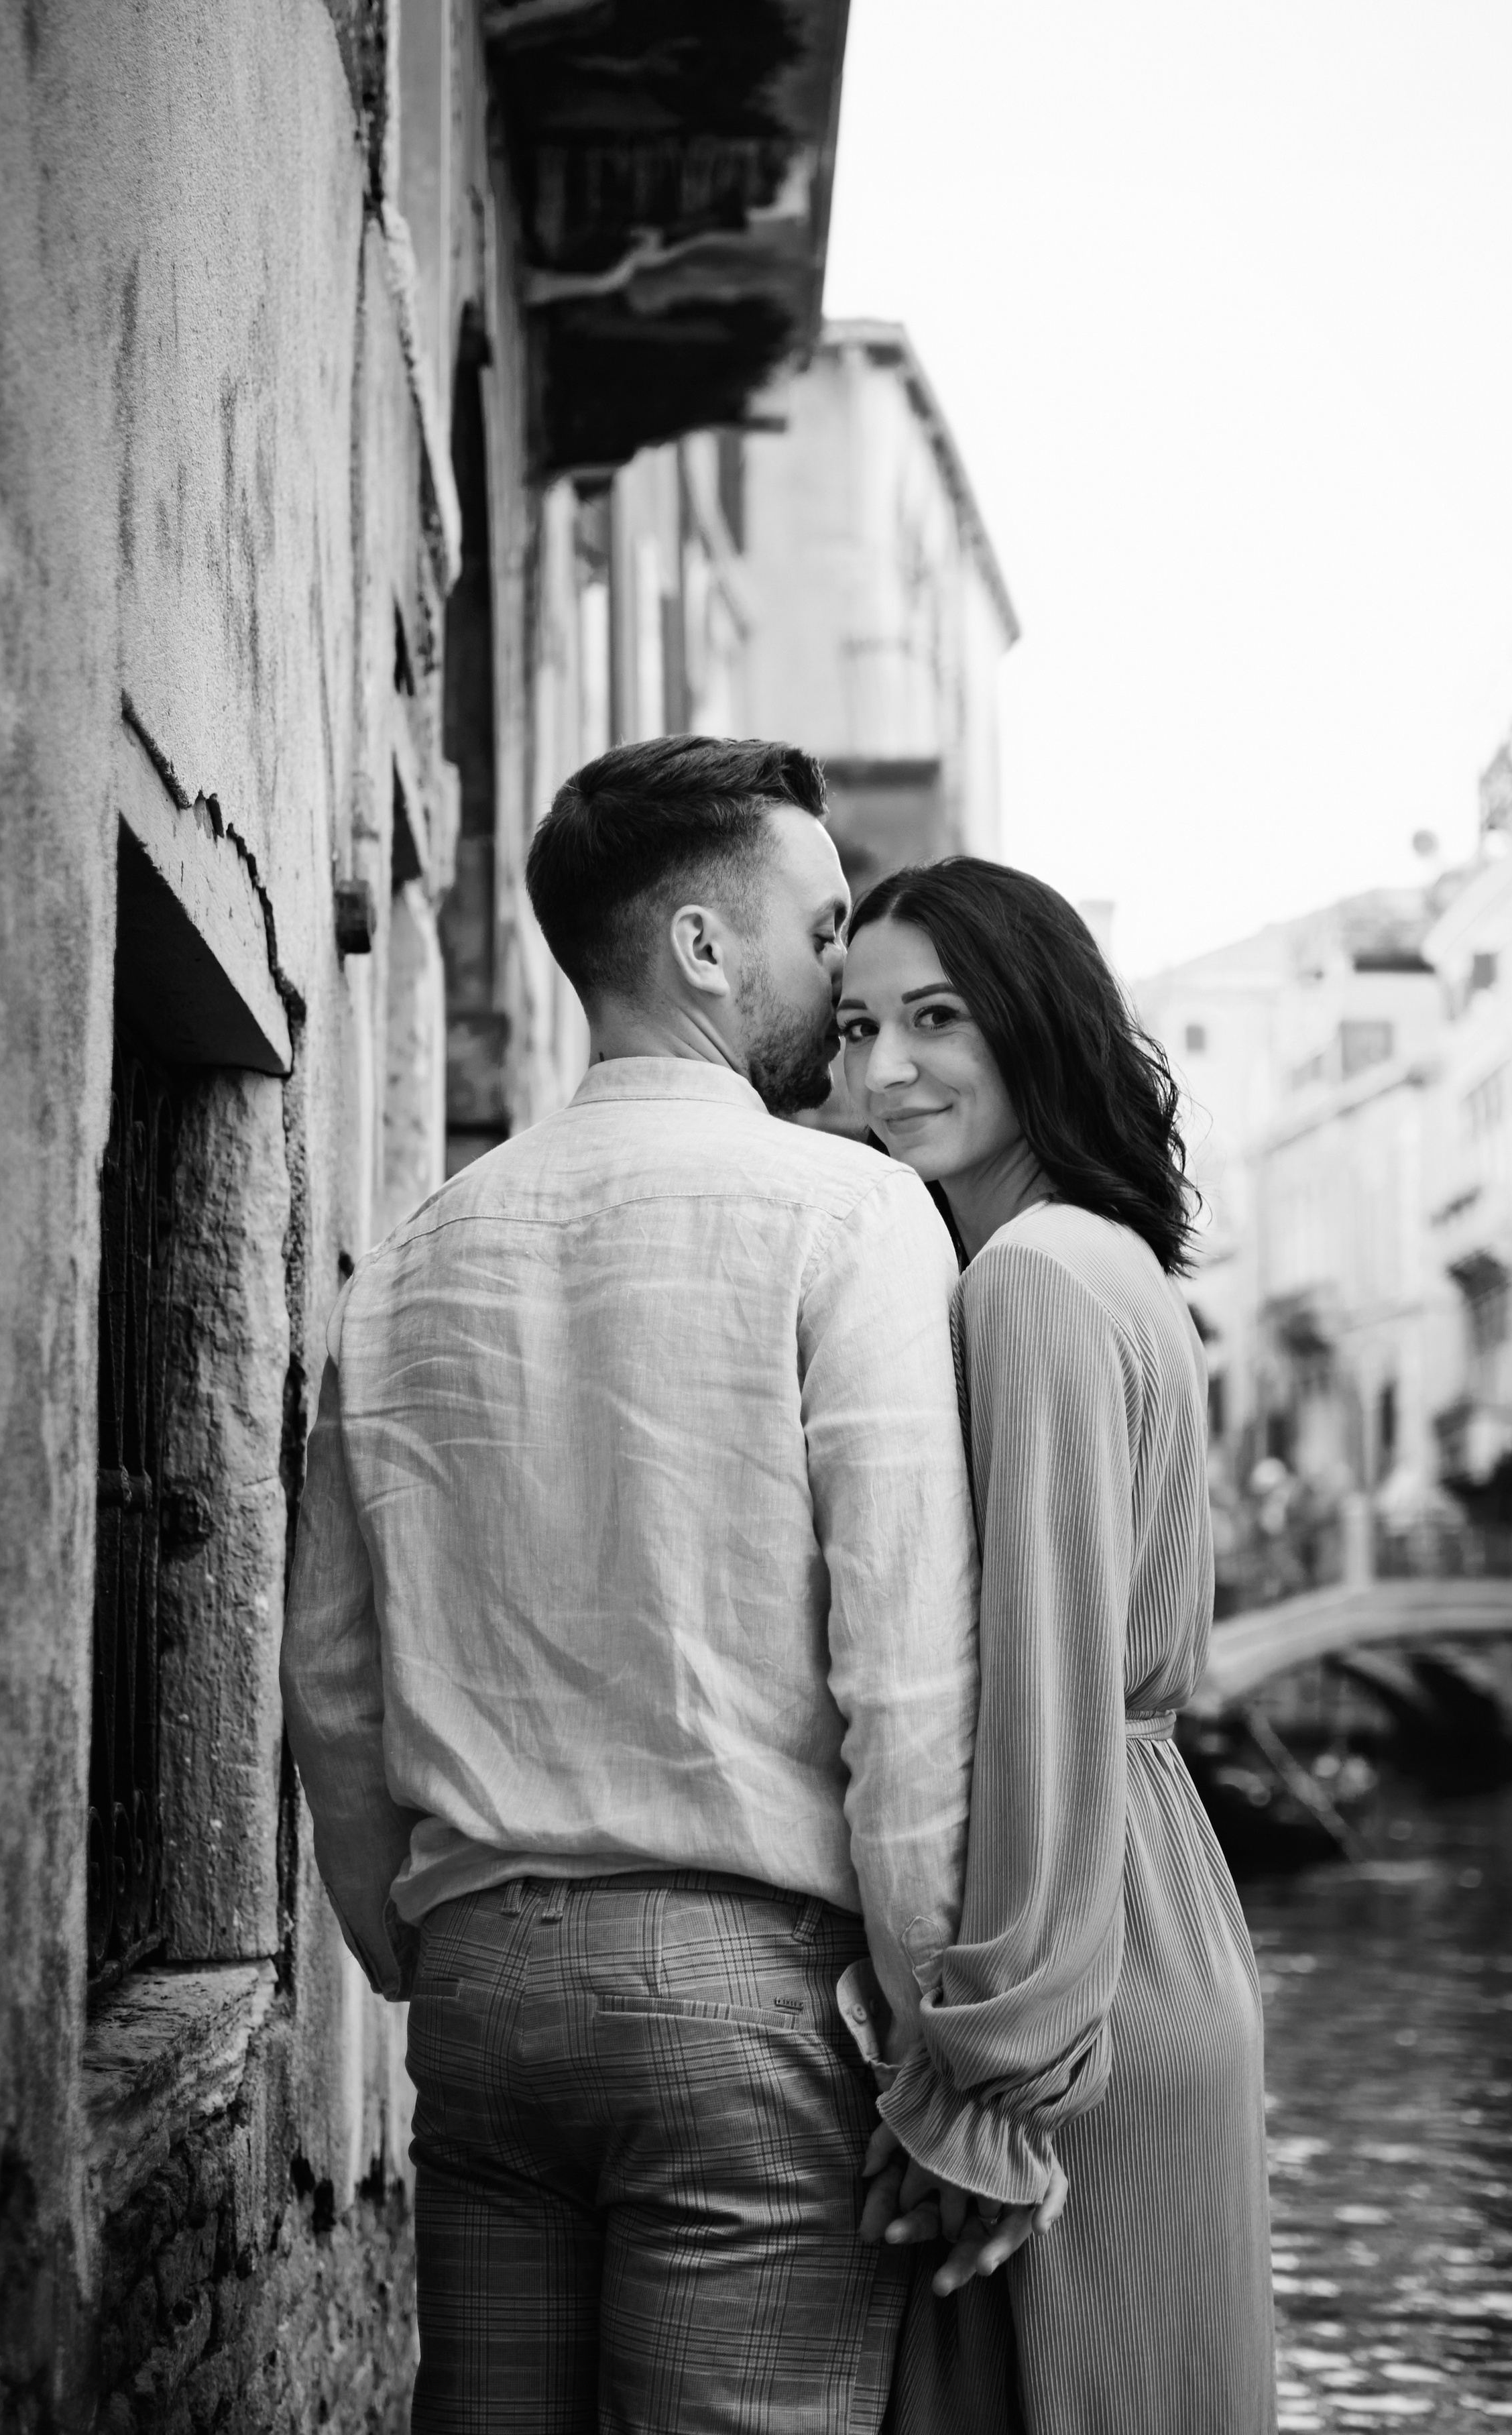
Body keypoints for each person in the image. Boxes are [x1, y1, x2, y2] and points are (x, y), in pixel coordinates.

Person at [280, 738, 1004, 2434]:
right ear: (699, 945)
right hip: (744, 2003)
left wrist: (414, 1943)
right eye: (822, 929)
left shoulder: (412, 1249)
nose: (848, 972)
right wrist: (938, 2040)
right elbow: (905, 1672)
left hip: (478, 1994)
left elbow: (329, 1670)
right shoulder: (853, 1214)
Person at [839, 856, 1277, 2435]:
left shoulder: (1023, 1283)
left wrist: (989, 2075)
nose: (885, 1070)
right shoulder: (1108, 1262)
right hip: (1157, 1924)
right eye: (855, 1025)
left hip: (1074, 1990)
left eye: (936, 1017)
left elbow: (1041, 1693)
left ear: (1033, 1023)